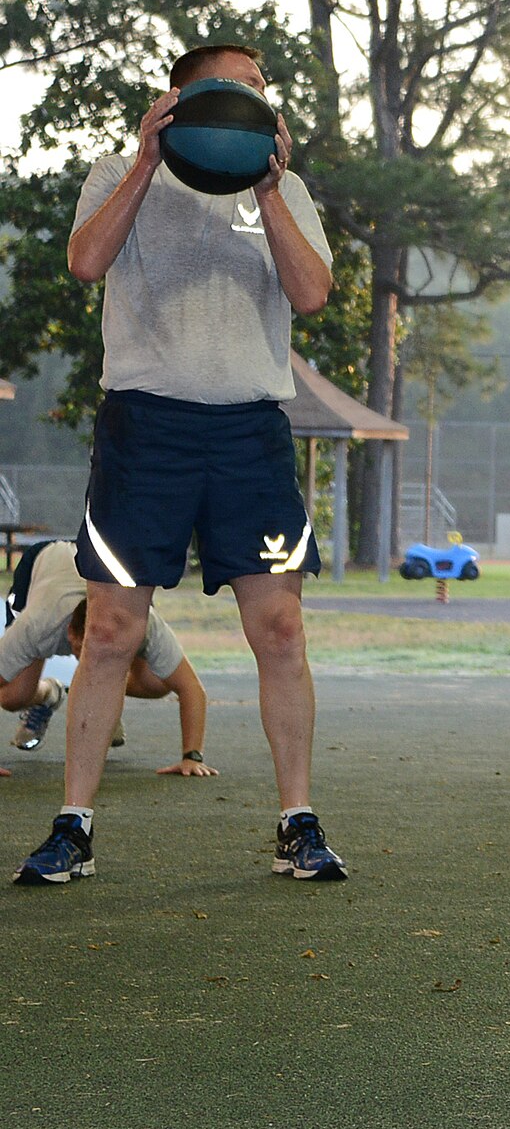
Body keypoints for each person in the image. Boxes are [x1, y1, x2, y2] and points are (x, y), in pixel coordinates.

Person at [12, 43, 344, 886]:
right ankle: (74, 827)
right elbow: (86, 263)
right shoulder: (115, 173)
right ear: (181, 97)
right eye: (236, 88)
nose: (253, 102)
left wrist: (268, 190)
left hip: (249, 433)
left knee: (279, 630)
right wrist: (143, 159)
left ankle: (296, 822)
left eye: (262, 92)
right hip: (145, 431)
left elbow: (310, 294)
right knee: (112, 633)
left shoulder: (288, 191)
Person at [2, 540, 210, 774]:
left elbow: (192, 688)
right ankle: (50, 694)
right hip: (47, 562)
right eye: (88, 653)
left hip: (105, 561)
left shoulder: (142, 624)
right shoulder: (37, 626)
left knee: (157, 682)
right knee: (13, 696)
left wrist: (191, 757)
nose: (97, 663)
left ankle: (106, 702)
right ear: (72, 635)